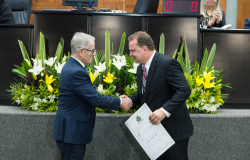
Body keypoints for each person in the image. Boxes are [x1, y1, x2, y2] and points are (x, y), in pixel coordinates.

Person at [53, 32, 131, 160]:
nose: (94, 54)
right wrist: (120, 101)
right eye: (92, 50)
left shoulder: (73, 66)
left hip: (71, 131)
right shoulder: (76, 71)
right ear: (81, 51)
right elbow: (95, 98)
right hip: (72, 132)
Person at [123, 31, 193, 160]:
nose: (130, 54)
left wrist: (164, 111)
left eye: (133, 50)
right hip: (154, 133)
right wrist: (131, 101)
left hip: (174, 133)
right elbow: (144, 94)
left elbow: (184, 90)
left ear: (145, 48)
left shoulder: (167, 63)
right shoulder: (140, 68)